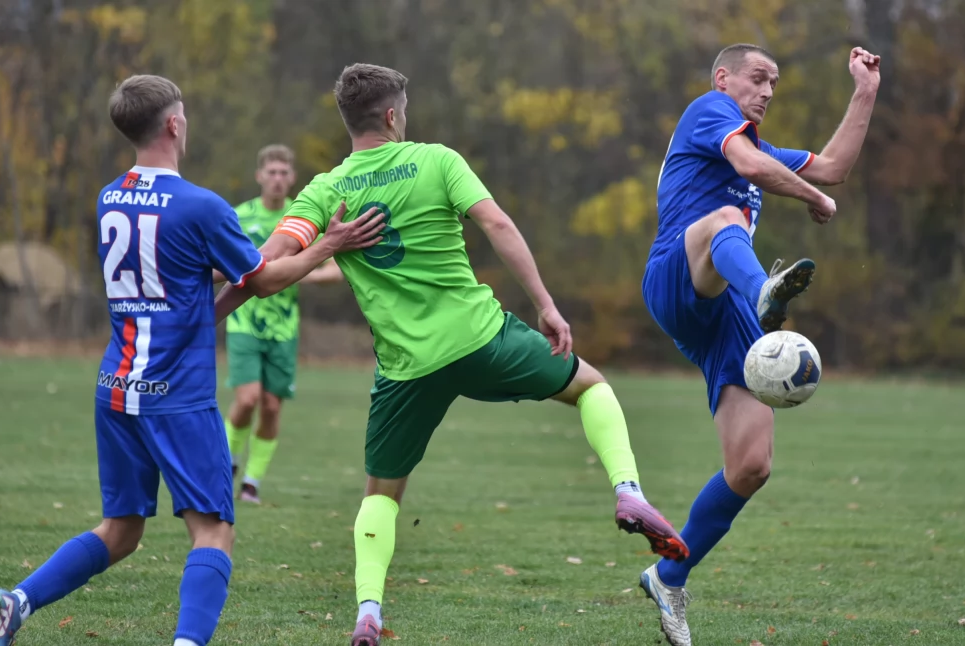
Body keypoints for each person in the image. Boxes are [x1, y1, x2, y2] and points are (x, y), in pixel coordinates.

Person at [212, 63, 687, 646]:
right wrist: (545, 304)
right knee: (590, 386)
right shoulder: (438, 160)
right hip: (479, 338)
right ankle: (628, 492)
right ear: (392, 116)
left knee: (382, 494)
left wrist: (301, 257)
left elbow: (261, 272)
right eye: (403, 111)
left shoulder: (325, 190)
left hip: (405, 367)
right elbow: (498, 224)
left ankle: (367, 613)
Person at [0, 74, 383, 646]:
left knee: (120, 530)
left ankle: (15, 604)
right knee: (213, 533)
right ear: (173, 124)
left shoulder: (109, 196)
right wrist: (329, 244)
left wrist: (225, 284)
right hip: (177, 395)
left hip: (116, 388)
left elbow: (175, 275)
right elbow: (264, 280)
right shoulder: (201, 206)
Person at [637, 44, 880, 645]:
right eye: (758, 77)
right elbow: (751, 167)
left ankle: (669, 575)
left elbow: (831, 168)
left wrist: (865, 92)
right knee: (725, 219)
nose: (768, 90)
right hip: (677, 275)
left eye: (775, 82)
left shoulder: (761, 145)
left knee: (751, 466)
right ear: (724, 79)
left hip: (728, 313)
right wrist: (812, 198)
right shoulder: (709, 111)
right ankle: (766, 289)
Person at [223, 144, 345, 504]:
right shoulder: (239, 216)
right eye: (270, 172)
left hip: (284, 328)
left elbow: (335, 270)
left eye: (283, 173)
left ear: (292, 178)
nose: (277, 179)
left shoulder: (304, 215)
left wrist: (290, 273)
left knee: (272, 407)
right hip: (244, 322)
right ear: (260, 176)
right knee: (247, 400)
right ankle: (227, 461)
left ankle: (252, 483)